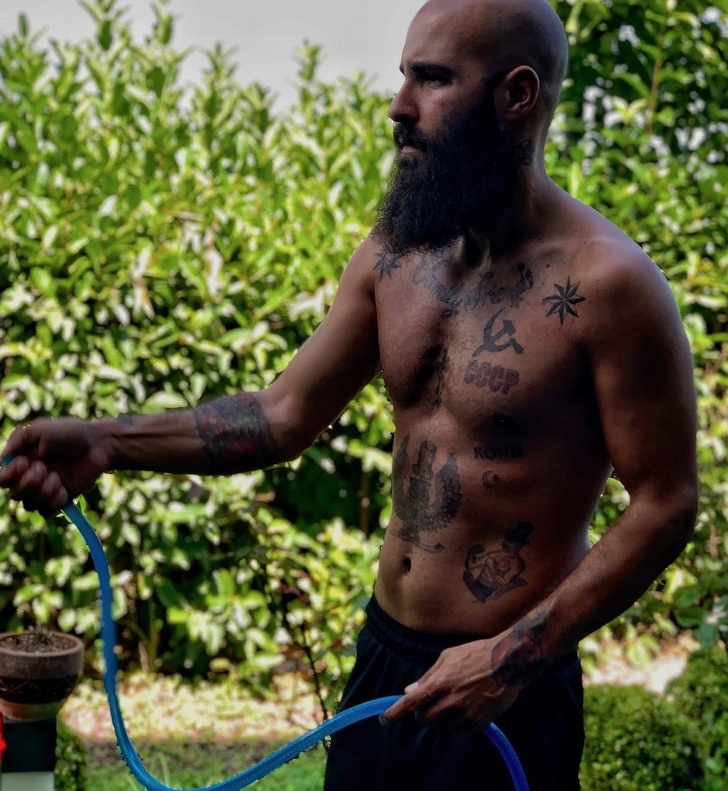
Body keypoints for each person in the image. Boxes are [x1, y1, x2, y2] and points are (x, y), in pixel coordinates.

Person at [0, 0, 698, 788]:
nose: (399, 107)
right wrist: (106, 442)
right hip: (382, 662)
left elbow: (666, 503)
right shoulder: (395, 256)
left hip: (506, 688)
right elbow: (280, 415)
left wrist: (512, 656)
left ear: (517, 94)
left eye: (432, 79)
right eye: (404, 77)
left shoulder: (610, 284)